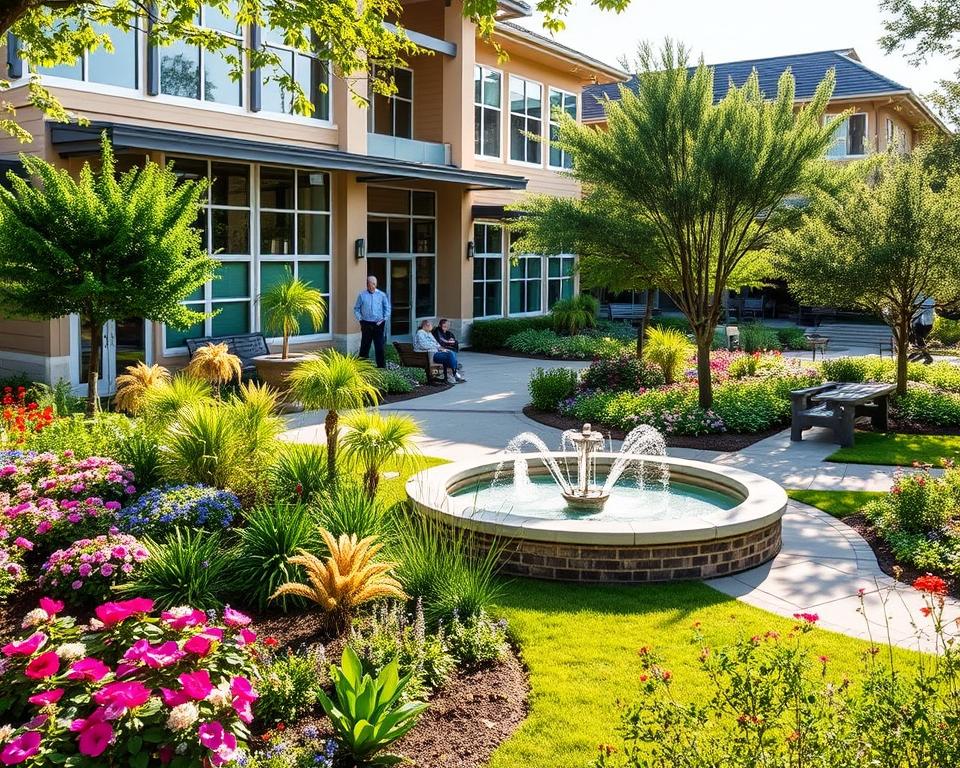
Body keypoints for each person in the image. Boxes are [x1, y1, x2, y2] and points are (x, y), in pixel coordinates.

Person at [354, 275, 391, 368]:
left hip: (378, 323)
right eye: (370, 284)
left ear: (376, 284)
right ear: (367, 284)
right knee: (365, 346)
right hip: (366, 323)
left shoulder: (382, 295)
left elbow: (387, 308)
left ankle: (381, 366)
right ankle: (362, 367)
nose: (372, 286)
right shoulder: (362, 295)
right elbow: (356, 309)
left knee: (379, 346)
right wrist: (360, 319)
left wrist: (384, 319)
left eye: (374, 284)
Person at [415, 319, 466, 384]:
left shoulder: (428, 333)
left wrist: (441, 348)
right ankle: (454, 373)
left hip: (434, 352)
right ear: (426, 325)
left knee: (450, 352)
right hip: (430, 355)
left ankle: (452, 374)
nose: (432, 327)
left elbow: (436, 343)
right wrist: (437, 347)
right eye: (431, 325)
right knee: (449, 355)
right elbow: (423, 345)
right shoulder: (420, 333)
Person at [909, 296, 935, 364]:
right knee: (919, 339)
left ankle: (924, 356)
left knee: (919, 338)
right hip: (924, 319)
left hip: (922, 320)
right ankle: (923, 355)